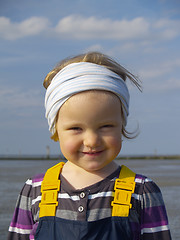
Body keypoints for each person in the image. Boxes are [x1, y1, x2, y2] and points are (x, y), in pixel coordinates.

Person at [8, 52, 171, 240]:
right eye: (76, 128)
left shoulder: (142, 191)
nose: (92, 141)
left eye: (106, 126)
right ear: (55, 130)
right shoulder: (35, 189)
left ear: (122, 125)